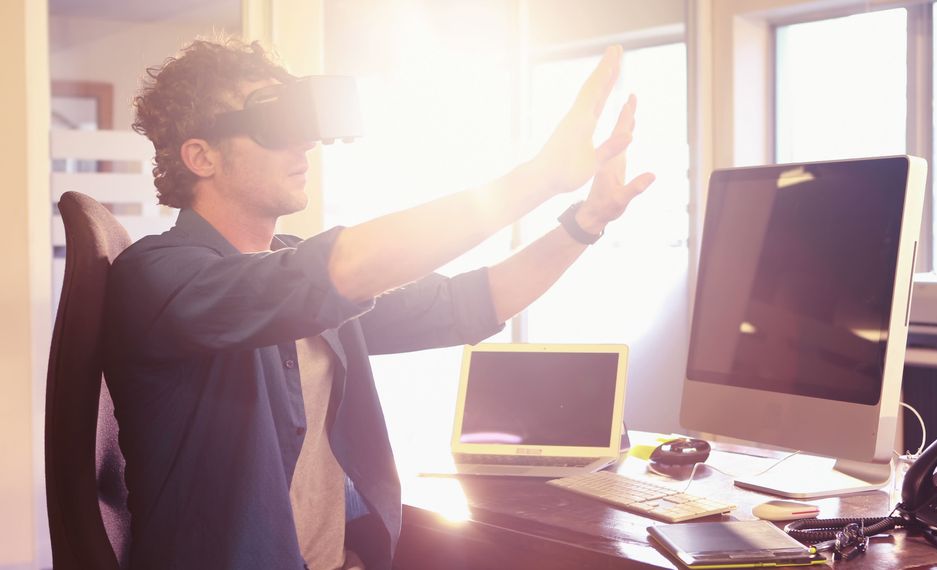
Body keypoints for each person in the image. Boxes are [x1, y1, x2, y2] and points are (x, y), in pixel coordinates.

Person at [104, 37, 654, 570]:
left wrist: (586, 223)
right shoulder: (160, 276)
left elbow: (469, 303)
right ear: (201, 156)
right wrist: (538, 178)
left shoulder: (302, 270)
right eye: (273, 124)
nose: (304, 145)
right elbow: (332, 271)